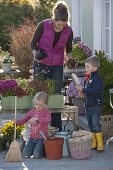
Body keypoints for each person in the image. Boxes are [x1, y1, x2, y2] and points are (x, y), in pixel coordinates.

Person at [31, 1, 73, 131]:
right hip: (41, 64)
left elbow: (69, 49)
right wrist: (35, 54)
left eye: (63, 25)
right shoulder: (43, 25)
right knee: (39, 96)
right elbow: (33, 44)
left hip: (57, 67)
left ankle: (57, 131)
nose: (60, 27)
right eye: (58, 24)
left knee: (55, 98)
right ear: (53, 19)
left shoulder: (68, 31)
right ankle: (37, 129)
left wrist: (71, 58)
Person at [76, 56, 104, 152]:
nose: (86, 69)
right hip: (88, 105)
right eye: (85, 67)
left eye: (88, 67)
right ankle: (94, 142)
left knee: (96, 124)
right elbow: (88, 92)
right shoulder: (88, 79)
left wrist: (83, 89)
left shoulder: (97, 78)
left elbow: (95, 90)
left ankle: (100, 144)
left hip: (95, 105)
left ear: (95, 68)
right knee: (91, 124)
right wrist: (82, 94)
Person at [14, 91, 51, 158]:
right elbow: (24, 120)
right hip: (32, 137)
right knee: (25, 154)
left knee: (36, 155)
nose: (38, 107)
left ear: (45, 104)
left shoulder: (46, 111)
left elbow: (48, 120)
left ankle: (43, 150)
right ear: (34, 102)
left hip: (41, 138)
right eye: (36, 104)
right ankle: (35, 149)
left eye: (41, 105)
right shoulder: (32, 111)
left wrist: (37, 118)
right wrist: (17, 122)